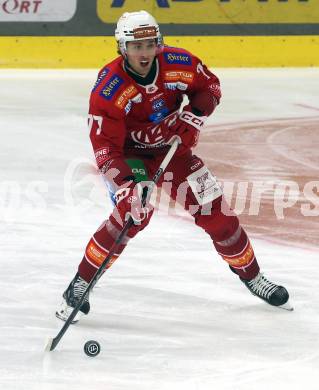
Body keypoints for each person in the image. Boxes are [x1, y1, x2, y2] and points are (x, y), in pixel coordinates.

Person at [56, 10, 291, 323]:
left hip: (173, 151)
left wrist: (193, 117)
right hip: (130, 157)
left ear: (158, 43)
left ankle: (253, 276)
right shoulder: (109, 88)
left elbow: (210, 87)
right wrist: (127, 184)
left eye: (149, 44)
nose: (144, 52)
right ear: (122, 48)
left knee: (216, 214)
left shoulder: (177, 63)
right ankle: (82, 281)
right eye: (136, 46)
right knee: (134, 215)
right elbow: (105, 149)